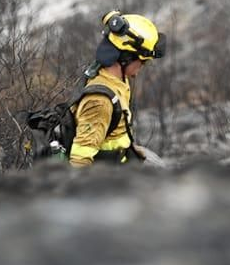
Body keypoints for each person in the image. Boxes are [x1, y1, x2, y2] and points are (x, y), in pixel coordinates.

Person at [70, 10, 165, 167]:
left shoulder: (118, 81)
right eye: (142, 61)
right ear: (126, 58)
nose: (142, 67)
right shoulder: (99, 102)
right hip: (107, 181)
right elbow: (79, 161)